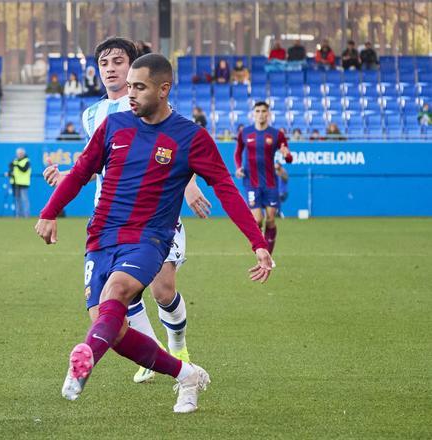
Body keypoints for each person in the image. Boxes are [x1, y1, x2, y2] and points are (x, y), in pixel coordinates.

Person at [35, 53, 274, 412]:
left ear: (164, 90)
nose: (130, 94)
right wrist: (50, 212)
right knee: (111, 330)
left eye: (139, 87)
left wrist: (257, 242)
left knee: (118, 293)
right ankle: (186, 374)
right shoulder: (114, 126)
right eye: (129, 86)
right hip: (100, 238)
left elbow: (225, 187)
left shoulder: (190, 137)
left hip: (149, 238)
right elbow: (82, 171)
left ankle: (83, 363)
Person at [43, 37, 213, 385]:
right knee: (120, 295)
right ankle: (153, 356)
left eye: (118, 61)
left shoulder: (146, 102)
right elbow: (94, 163)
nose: (110, 69)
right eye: (104, 63)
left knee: (163, 291)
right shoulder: (92, 114)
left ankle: (177, 348)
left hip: (154, 217)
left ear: (133, 66)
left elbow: (178, 144)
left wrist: (190, 183)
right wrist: (66, 178)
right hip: (110, 220)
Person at [234, 101, 293, 255]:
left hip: (271, 183)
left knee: (271, 220)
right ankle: (261, 252)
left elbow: (289, 158)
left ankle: (269, 255)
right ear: (253, 113)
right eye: (258, 111)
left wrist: (287, 155)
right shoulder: (245, 133)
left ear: (269, 114)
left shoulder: (276, 134)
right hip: (251, 182)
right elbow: (238, 152)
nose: (260, 114)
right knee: (257, 221)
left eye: (263, 111)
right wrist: (239, 167)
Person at [9, 148, 30, 218]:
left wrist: (16, 165)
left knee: (24, 199)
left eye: (21, 153)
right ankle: (18, 215)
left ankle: (26, 215)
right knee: (17, 200)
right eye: (18, 153)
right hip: (16, 183)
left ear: (23, 154)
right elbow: (11, 168)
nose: (19, 155)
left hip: (24, 183)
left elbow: (24, 170)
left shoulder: (27, 161)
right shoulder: (15, 161)